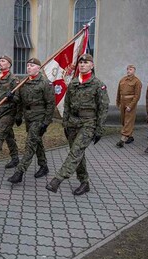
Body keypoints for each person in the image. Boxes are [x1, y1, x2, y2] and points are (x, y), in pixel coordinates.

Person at [46, 54, 109, 195]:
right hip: (73, 123)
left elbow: (103, 108)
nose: (82, 65)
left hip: (88, 123)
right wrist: (65, 124)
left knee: (75, 152)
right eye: (81, 62)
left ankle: (57, 179)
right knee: (78, 153)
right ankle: (84, 182)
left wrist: (99, 129)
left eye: (86, 63)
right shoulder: (74, 83)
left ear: (92, 66)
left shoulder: (98, 85)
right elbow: (67, 105)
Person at [7, 58, 55, 184]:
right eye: (28, 65)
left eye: (32, 65)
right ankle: (44, 166)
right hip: (28, 118)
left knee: (30, 143)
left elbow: (50, 104)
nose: (29, 67)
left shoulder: (45, 83)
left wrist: (46, 122)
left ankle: (19, 172)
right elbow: (19, 100)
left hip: (39, 117)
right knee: (37, 142)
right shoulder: (23, 83)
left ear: (38, 68)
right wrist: (11, 98)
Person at [115, 64, 142, 148]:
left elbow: (137, 95)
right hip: (123, 101)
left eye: (130, 69)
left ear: (134, 70)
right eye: (127, 69)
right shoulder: (123, 80)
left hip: (130, 102)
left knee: (128, 121)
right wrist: (118, 102)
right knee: (123, 120)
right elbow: (119, 92)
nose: (128, 71)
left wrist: (131, 105)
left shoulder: (137, 81)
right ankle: (130, 136)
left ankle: (123, 139)